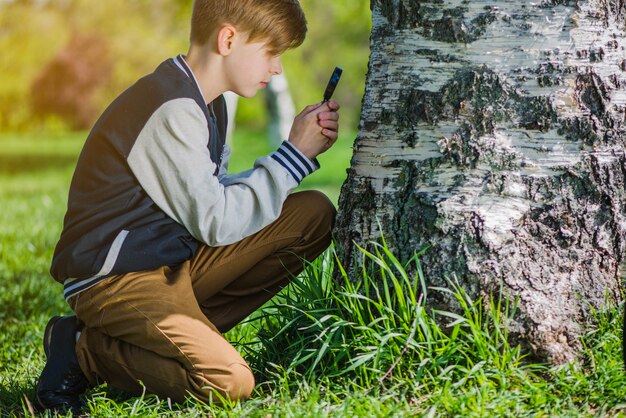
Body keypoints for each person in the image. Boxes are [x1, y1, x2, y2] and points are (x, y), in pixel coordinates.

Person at [36, 0, 340, 413]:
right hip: (115, 277)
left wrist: (295, 158)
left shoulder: (206, 102)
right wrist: (293, 157)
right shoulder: (171, 106)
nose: (276, 69)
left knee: (313, 215)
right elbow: (216, 221)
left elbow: (206, 197)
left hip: (170, 258)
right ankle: (81, 350)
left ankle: (176, 337)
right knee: (229, 382)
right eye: (271, 53)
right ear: (228, 39)